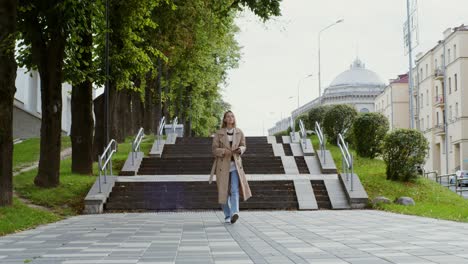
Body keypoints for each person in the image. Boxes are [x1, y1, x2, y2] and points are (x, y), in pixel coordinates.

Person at [209, 110, 252, 224]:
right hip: (222, 166)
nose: (230, 118)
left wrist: (240, 150)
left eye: (232, 116)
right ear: (224, 119)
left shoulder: (239, 132)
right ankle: (227, 214)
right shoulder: (219, 133)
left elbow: (244, 145)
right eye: (228, 116)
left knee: (234, 190)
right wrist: (224, 151)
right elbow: (214, 150)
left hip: (235, 166)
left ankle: (235, 213)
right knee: (223, 191)